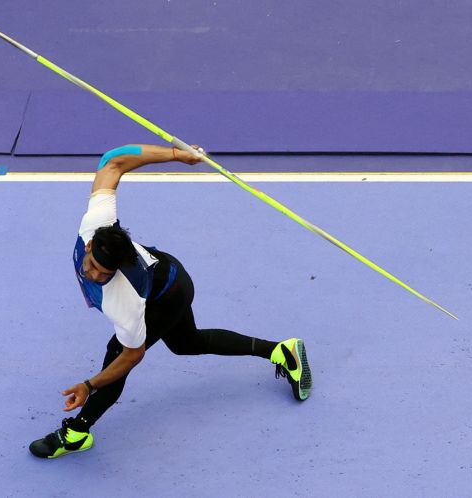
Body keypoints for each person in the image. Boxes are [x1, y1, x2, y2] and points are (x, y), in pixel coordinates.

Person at [29, 144, 312, 459]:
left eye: (102, 272)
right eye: (92, 264)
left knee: (116, 353)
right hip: (168, 271)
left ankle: (78, 431)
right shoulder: (95, 224)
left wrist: (89, 384)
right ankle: (280, 350)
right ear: (92, 242)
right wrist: (177, 155)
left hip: (168, 293)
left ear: (119, 270)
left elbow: (131, 356)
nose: (92, 274)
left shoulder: (125, 298)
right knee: (187, 343)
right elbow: (113, 162)